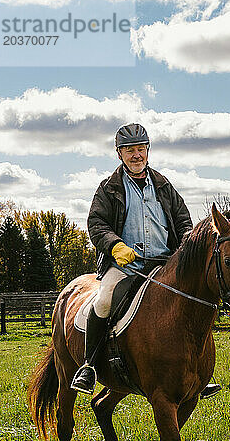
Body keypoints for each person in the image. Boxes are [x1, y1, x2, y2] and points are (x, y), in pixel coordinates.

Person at [71, 123, 221, 399]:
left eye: (141, 148)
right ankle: (89, 366)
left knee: (194, 302)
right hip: (126, 266)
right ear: (119, 154)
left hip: (165, 264)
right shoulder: (109, 188)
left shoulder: (163, 185)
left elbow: (182, 221)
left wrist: (186, 249)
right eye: (129, 150)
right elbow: (96, 223)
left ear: (148, 151)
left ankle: (197, 374)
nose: (136, 155)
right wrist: (115, 245)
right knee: (103, 301)